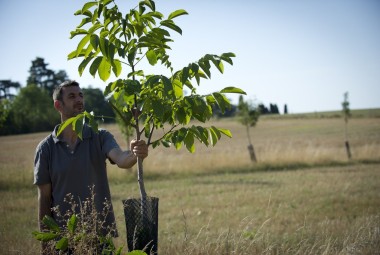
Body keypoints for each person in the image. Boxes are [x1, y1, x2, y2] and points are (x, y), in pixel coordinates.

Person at [33, 80, 148, 253]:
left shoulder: (99, 136)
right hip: (64, 239)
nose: (78, 99)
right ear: (58, 105)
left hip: (99, 233)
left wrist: (135, 152)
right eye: (71, 96)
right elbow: (44, 199)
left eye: (80, 95)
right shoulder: (46, 148)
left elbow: (122, 159)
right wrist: (46, 244)